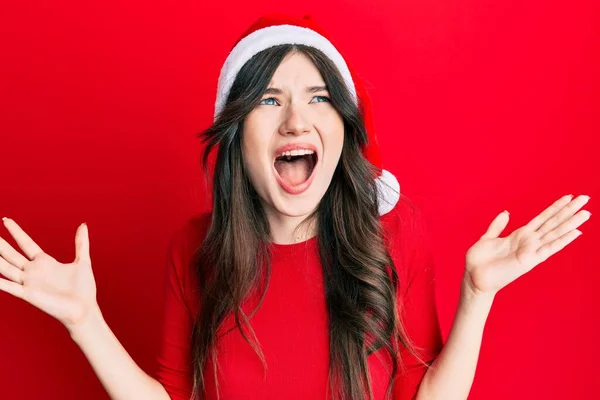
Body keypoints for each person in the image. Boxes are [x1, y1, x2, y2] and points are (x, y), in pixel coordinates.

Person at [0, 12, 591, 400]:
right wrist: (85, 322)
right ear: (235, 134)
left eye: (318, 97)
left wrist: (476, 297)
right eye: (269, 100)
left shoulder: (396, 235)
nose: (296, 120)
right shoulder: (193, 250)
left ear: (341, 124)